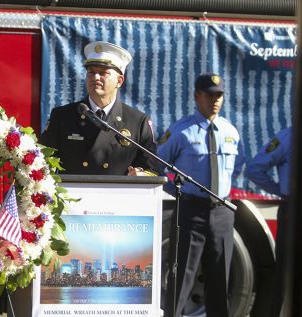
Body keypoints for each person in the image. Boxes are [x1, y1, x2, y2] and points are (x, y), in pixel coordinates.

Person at [158, 73, 244, 317]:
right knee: (181, 279)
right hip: (191, 211)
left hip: (222, 214)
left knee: (219, 282)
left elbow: (238, 165)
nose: (215, 101)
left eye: (219, 96)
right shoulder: (181, 131)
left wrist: (222, 192)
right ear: (198, 96)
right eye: (210, 95)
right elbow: (157, 165)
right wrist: (177, 191)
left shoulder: (230, 131)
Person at [41, 41, 160, 176]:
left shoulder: (137, 121)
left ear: (119, 81)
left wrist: (141, 174)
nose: (95, 77)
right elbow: (42, 160)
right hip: (73, 194)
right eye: (91, 72)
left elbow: (152, 168)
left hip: (117, 195)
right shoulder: (62, 116)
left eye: (103, 73)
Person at [245, 127, 292, 317]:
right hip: (294, 211)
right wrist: (281, 191)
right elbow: (255, 169)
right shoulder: (289, 137)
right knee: (286, 276)